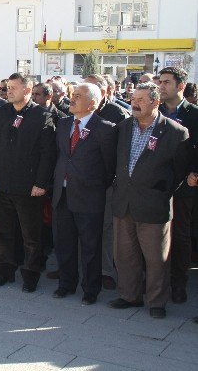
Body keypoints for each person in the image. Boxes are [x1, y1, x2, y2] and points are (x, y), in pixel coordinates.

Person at [109, 82, 190, 319]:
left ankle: (156, 301)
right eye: (134, 98)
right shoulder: (123, 127)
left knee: (156, 258)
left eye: (141, 99)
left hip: (154, 204)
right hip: (124, 201)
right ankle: (129, 295)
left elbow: (179, 171)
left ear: (155, 102)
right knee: (125, 254)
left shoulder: (175, 132)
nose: (135, 103)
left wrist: (160, 191)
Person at [0, 72, 56, 292]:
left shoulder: (42, 115)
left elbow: (48, 154)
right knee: (4, 232)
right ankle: (5, 270)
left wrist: (41, 183)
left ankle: (30, 274)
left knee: (30, 236)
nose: (9, 91)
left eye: (14, 87)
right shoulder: (2, 113)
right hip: (3, 184)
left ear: (27, 90)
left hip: (29, 187)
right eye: (7, 87)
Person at [51, 83, 117, 305]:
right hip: (63, 194)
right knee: (64, 243)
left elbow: (109, 168)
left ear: (92, 103)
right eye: (72, 95)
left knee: (90, 245)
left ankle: (91, 288)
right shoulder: (63, 124)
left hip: (89, 197)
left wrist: (93, 185)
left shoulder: (105, 128)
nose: (72, 99)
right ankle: (66, 283)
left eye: (78, 96)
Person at [85, 73, 130, 290]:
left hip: (107, 180)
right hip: (81, 180)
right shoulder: (77, 109)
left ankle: (106, 271)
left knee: (105, 227)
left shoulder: (117, 113)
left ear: (103, 92)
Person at [158, 66, 198, 304]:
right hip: (156, 184)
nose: (161, 87)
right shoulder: (155, 111)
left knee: (180, 235)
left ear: (181, 86)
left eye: (167, 82)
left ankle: (179, 283)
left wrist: (195, 172)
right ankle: (155, 280)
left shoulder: (194, 114)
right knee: (155, 235)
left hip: (184, 185)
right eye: (160, 82)